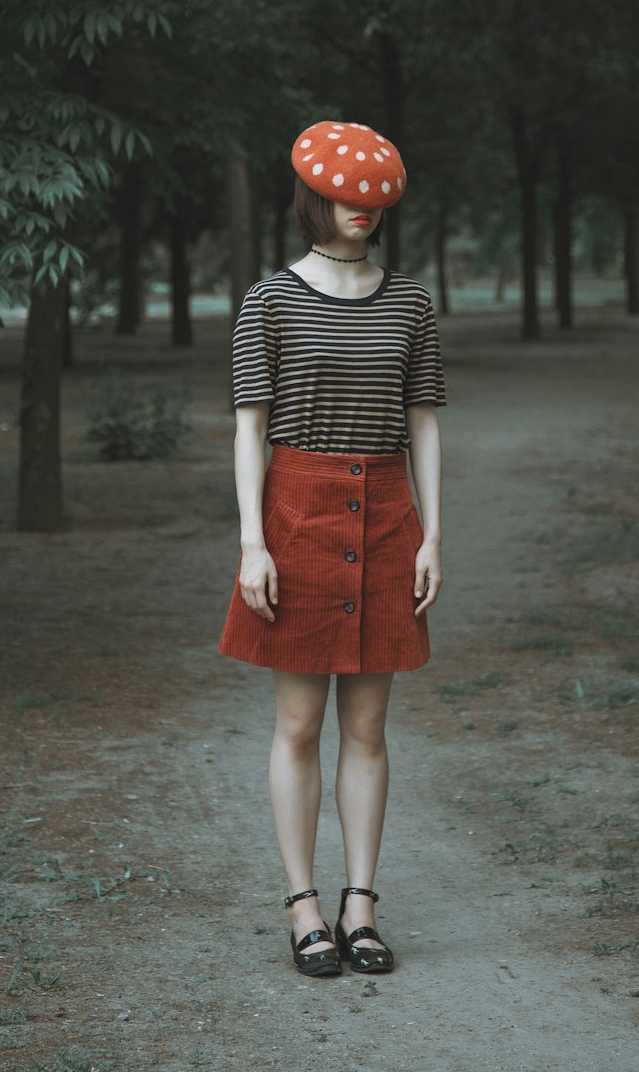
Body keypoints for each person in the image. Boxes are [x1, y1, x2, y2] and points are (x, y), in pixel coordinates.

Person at [218, 118, 446, 977]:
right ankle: (302, 905)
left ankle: (360, 906)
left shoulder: (412, 302)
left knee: (370, 727)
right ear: (316, 199)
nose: (364, 210)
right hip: (298, 514)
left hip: (388, 515)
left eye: (376, 197)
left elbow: (423, 422)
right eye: (347, 196)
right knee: (300, 723)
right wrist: (253, 543)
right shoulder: (268, 300)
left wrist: (433, 534)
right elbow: (250, 431)